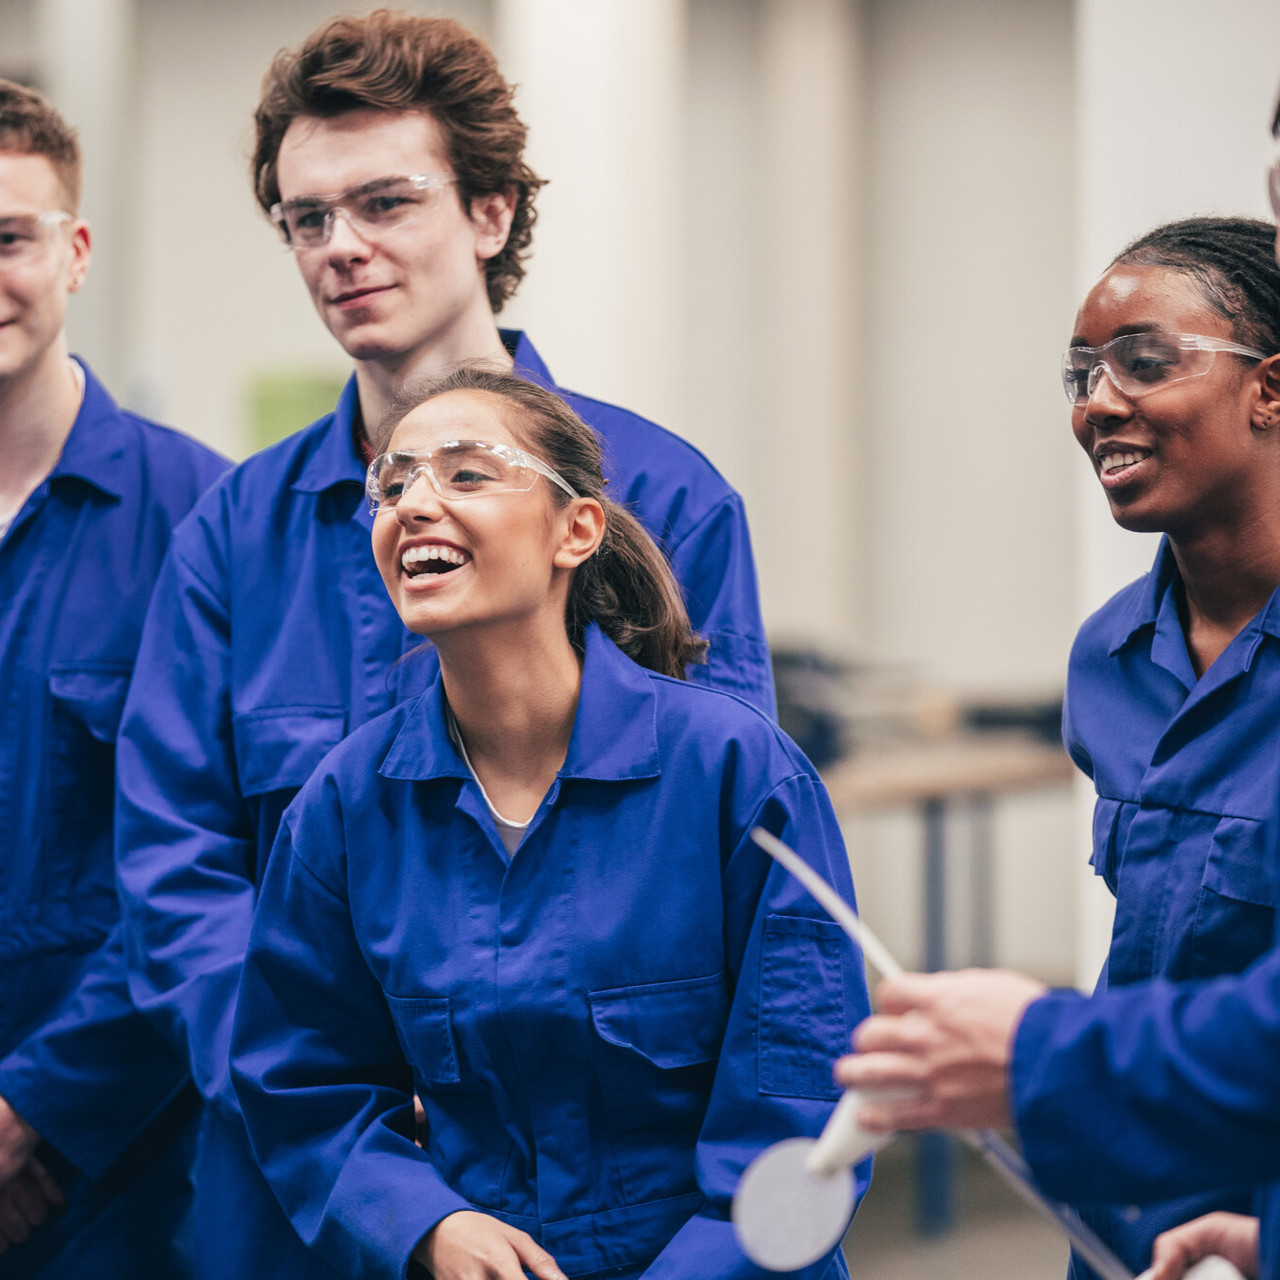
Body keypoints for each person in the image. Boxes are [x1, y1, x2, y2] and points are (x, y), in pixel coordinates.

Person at [116, 12, 775, 1277]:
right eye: (306, 218)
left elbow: (724, 857)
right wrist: (355, 1140)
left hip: (599, 1187)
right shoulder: (233, 536)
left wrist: (493, 1067)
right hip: (303, 1197)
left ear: (489, 213)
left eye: (383, 202)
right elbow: (176, 875)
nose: (341, 248)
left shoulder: (662, 496)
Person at [230, 365, 866, 1280]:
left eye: (467, 473)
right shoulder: (346, 806)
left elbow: (805, 1111)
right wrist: (427, 1226)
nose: (413, 504)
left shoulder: (734, 774)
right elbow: (302, 1081)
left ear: (577, 529)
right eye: (395, 481)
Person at [839, 214, 1280, 1280]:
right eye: (1080, 373)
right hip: (1123, 1201)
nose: (1097, 403)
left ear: (1267, 389)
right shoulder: (1105, 659)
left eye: (1141, 359)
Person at [0, 80, 226, 1276]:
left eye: (9, 238)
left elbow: (215, 870)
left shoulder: (206, 524)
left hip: (124, 1188)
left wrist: (33, 1118)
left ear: (75, 251)